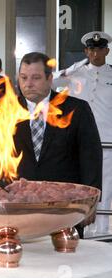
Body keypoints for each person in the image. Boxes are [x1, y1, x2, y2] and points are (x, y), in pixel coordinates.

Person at [15, 52, 102, 238]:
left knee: (66, 262)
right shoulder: (5, 112)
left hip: (66, 207)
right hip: (18, 207)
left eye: (36, 78)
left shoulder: (76, 110)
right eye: (23, 78)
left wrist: (90, 200)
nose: (28, 84)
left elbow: (91, 157)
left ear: (49, 78)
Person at [53, 31, 112, 236]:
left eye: (99, 49)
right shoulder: (75, 74)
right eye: (91, 50)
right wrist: (73, 67)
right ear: (86, 51)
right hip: (78, 140)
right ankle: (76, 231)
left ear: (107, 50)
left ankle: (101, 234)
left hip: (106, 141)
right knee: (78, 186)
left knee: (104, 189)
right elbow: (51, 84)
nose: (95, 54)